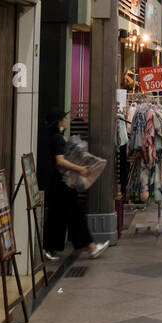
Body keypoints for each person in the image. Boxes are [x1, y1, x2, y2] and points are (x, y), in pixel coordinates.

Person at [43, 111, 108, 260]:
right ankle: (91, 247)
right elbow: (60, 160)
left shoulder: (55, 138)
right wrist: (80, 169)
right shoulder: (58, 139)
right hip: (63, 183)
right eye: (63, 118)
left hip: (60, 183)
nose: (66, 120)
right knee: (73, 215)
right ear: (59, 121)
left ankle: (51, 248)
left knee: (64, 216)